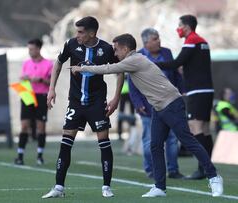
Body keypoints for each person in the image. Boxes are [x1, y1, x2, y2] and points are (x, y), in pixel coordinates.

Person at [71, 33, 223, 197]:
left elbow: (109, 69)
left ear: (125, 48)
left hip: (171, 104)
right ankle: (159, 187)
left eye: (116, 50)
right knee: (155, 145)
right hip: (158, 108)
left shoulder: (134, 59)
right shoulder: (132, 61)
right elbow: (115, 69)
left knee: (187, 140)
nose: (114, 54)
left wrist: (82, 68)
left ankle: (214, 177)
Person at [41, 16, 124, 198]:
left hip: (97, 103)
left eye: (80, 32)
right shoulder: (71, 44)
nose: (76, 35)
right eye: (76, 31)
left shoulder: (105, 49)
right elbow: (58, 63)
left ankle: (106, 187)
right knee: (65, 144)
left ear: (92, 33)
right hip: (76, 103)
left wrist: (116, 97)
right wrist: (51, 89)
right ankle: (58, 188)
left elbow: (120, 71)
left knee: (104, 142)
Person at [156, 14, 214, 180]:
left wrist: (154, 64)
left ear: (187, 27)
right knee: (205, 129)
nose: (178, 29)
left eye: (179, 25)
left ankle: (203, 168)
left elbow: (176, 63)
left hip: (197, 91)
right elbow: (194, 64)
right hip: (207, 90)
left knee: (195, 128)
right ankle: (207, 166)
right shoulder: (203, 41)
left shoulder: (191, 40)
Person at [129, 28, 185, 179]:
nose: (159, 41)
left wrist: (182, 90)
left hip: (170, 104)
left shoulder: (167, 53)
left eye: (158, 38)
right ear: (146, 42)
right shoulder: (138, 57)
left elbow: (175, 74)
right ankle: (151, 170)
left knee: (172, 139)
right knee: (150, 140)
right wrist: (137, 103)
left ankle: (173, 170)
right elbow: (132, 85)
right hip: (148, 107)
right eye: (155, 39)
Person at [14, 38, 53, 165]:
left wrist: (41, 80)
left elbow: (51, 82)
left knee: (41, 126)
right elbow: (22, 79)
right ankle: (20, 155)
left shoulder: (48, 64)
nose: (30, 51)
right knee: (24, 125)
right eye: (28, 49)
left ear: (38, 48)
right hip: (27, 93)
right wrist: (24, 79)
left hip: (41, 95)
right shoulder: (26, 63)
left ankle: (40, 156)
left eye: (32, 49)